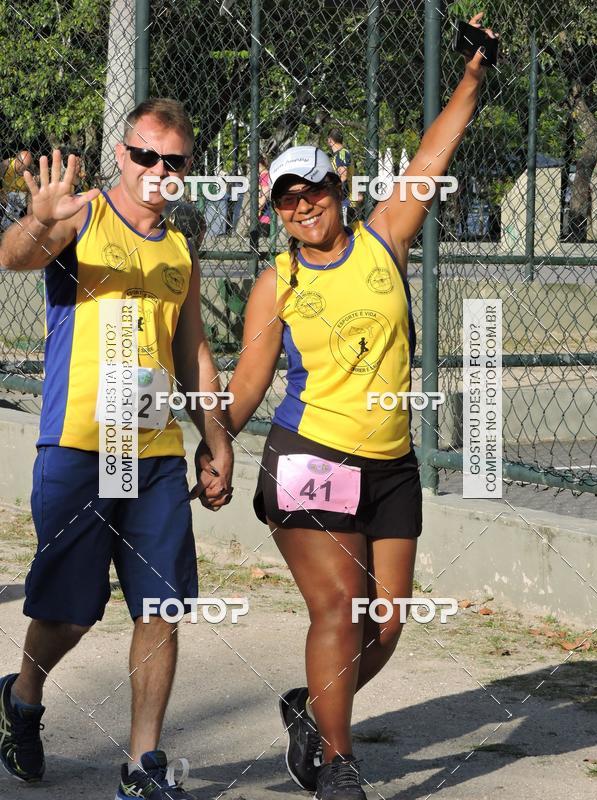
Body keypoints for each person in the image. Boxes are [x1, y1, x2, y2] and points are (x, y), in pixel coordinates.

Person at [196, 13, 497, 800]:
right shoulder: (277, 284)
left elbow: (435, 153)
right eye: (288, 198)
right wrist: (216, 440)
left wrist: (472, 76)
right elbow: (248, 383)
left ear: (339, 190)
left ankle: (312, 711)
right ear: (277, 210)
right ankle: (338, 763)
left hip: (390, 462)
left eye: (314, 191)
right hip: (309, 457)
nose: (304, 206)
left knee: (386, 623)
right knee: (338, 605)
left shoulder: (384, 238)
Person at [0, 98, 233, 799]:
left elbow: (192, 351)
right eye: (144, 155)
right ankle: (22, 697)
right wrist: (40, 219)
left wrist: (215, 438)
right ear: (122, 154)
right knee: (70, 612)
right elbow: (14, 257)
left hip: (154, 447)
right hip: (80, 444)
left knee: (161, 605)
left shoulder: (180, 249)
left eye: (173, 160)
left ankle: (143, 765)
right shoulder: (83, 215)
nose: (158, 169)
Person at [327, 129, 354, 225]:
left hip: (346, 202)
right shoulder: (339, 154)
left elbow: (343, 176)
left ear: (330, 140)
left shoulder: (342, 153)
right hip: (344, 201)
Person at [0, 150, 33, 231]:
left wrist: (29, 217)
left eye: (27, 166)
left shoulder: (29, 173)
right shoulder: (6, 165)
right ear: (17, 160)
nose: (24, 169)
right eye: (22, 165)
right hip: (5, 193)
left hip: (20, 199)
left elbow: (30, 196)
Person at [258, 154, 272, 237]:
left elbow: (264, 196)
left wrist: (257, 208)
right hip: (263, 216)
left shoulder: (264, 176)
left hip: (265, 218)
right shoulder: (263, 175)